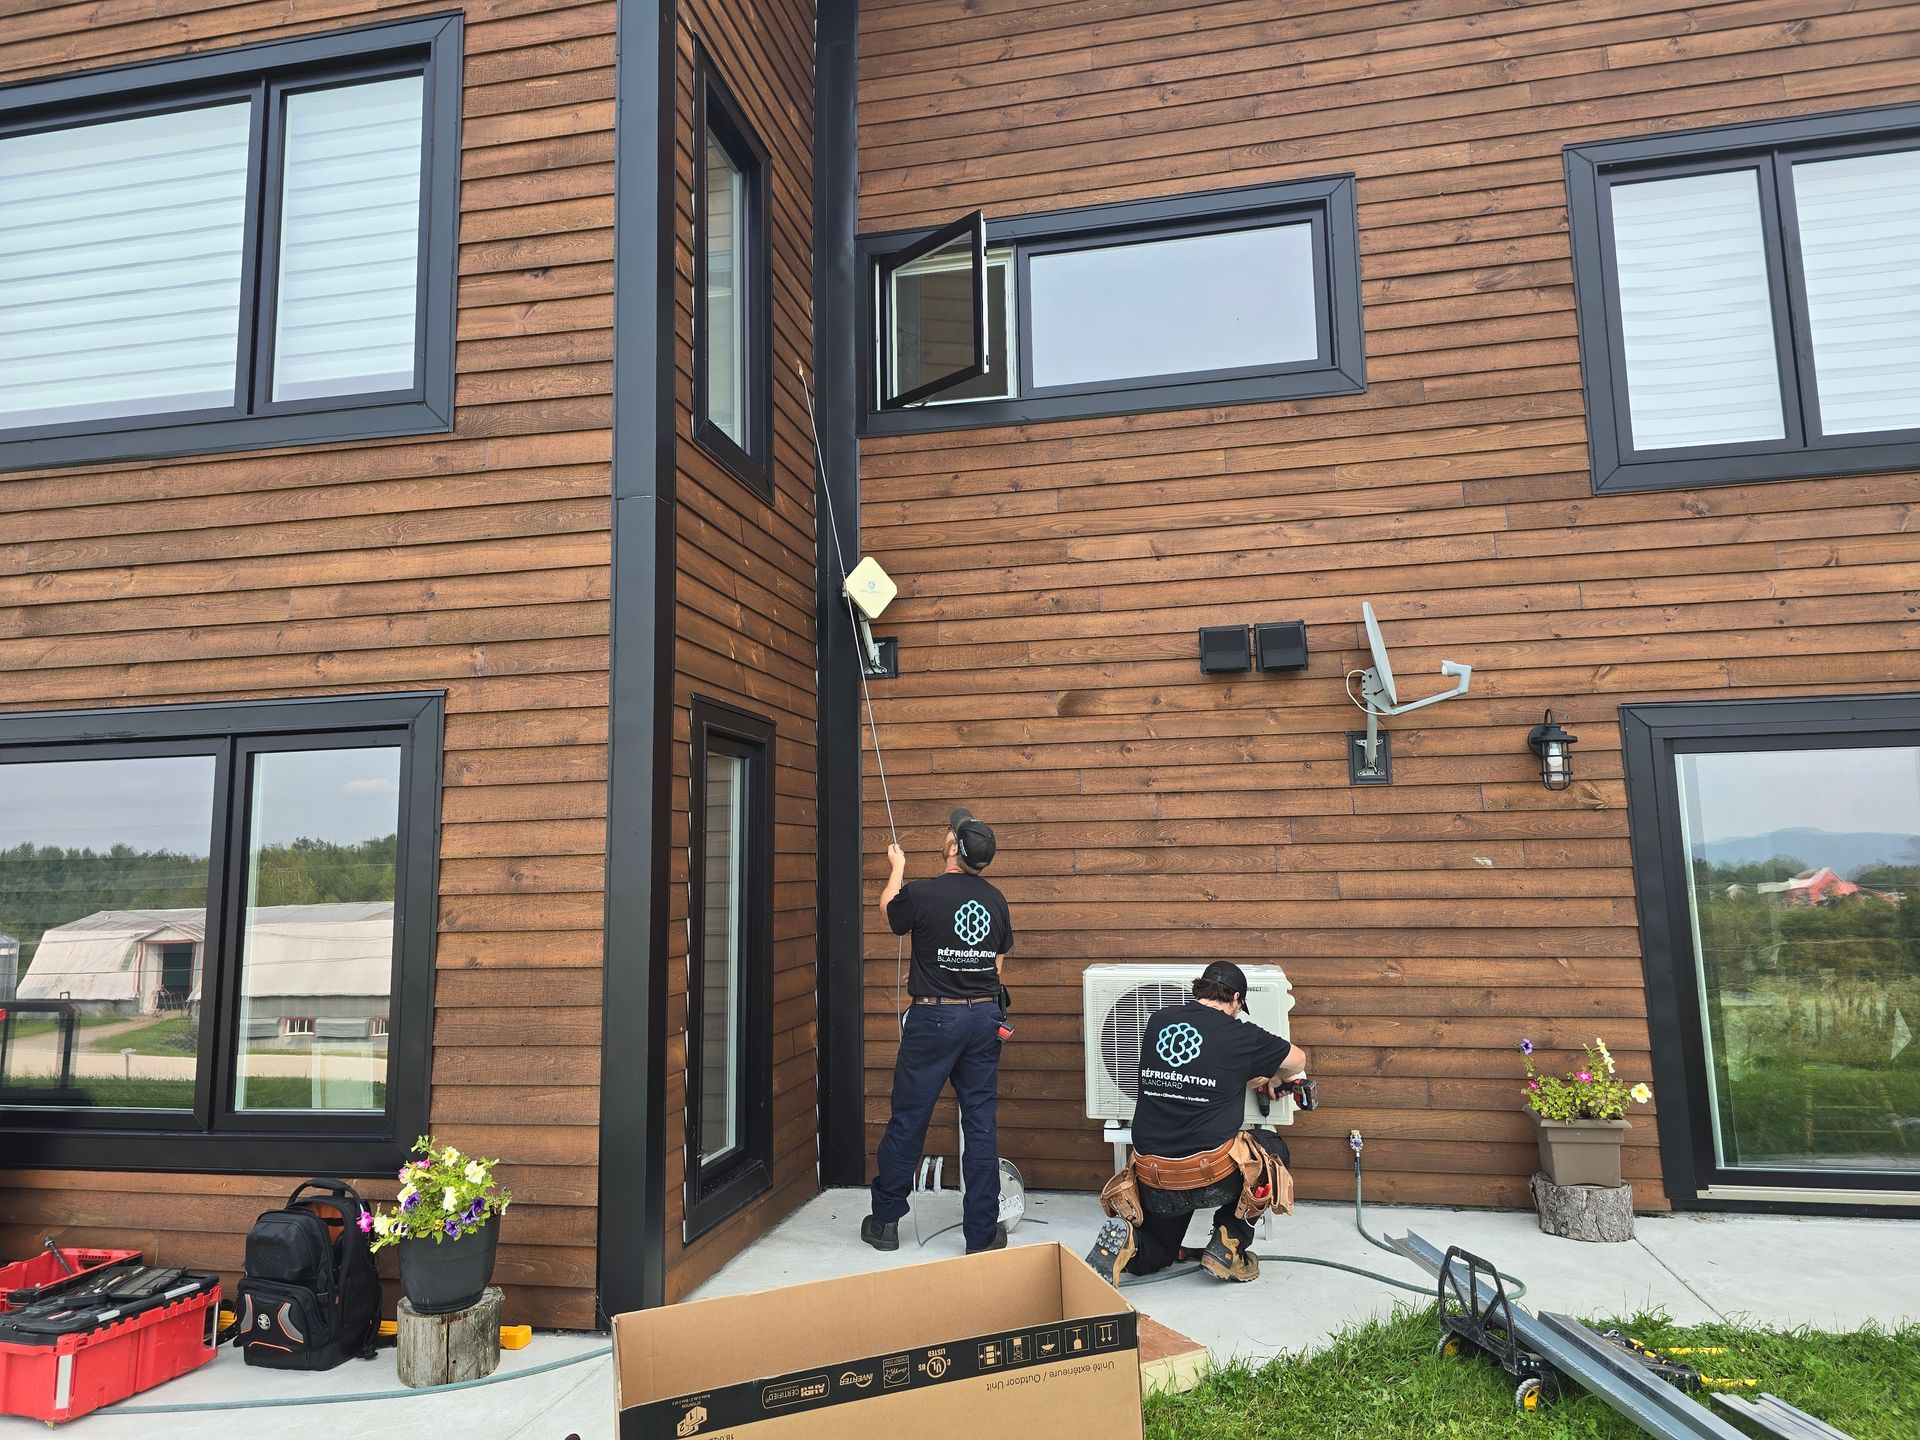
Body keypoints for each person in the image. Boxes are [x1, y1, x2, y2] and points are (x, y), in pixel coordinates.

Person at [1084, 961, 1308, 1285]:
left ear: (1199, 990)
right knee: (1271, 1150)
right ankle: (1227, 1245)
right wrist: (1277, 1077)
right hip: (1210, 1175)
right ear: (1234, 998)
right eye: (1238, 1007)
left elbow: (1200, 1074)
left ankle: (1129, 1242)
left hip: (1153, 1175)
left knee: (1160, 1251)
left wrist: (1258, 1075)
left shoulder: (1158, 1021)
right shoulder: (1239, 1034)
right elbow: (1298, 1059)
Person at [861, 807, 1016, 1256]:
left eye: (952, 835)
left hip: (933, 1019)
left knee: (910, 1118)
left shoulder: (923, 893)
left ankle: (886, 1222)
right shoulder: (996, 900)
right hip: (984, 1018)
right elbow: (997, 963)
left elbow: (890, 911)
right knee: (981, 1125)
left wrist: (898, 868)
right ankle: (982, 1234)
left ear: (953, 851)